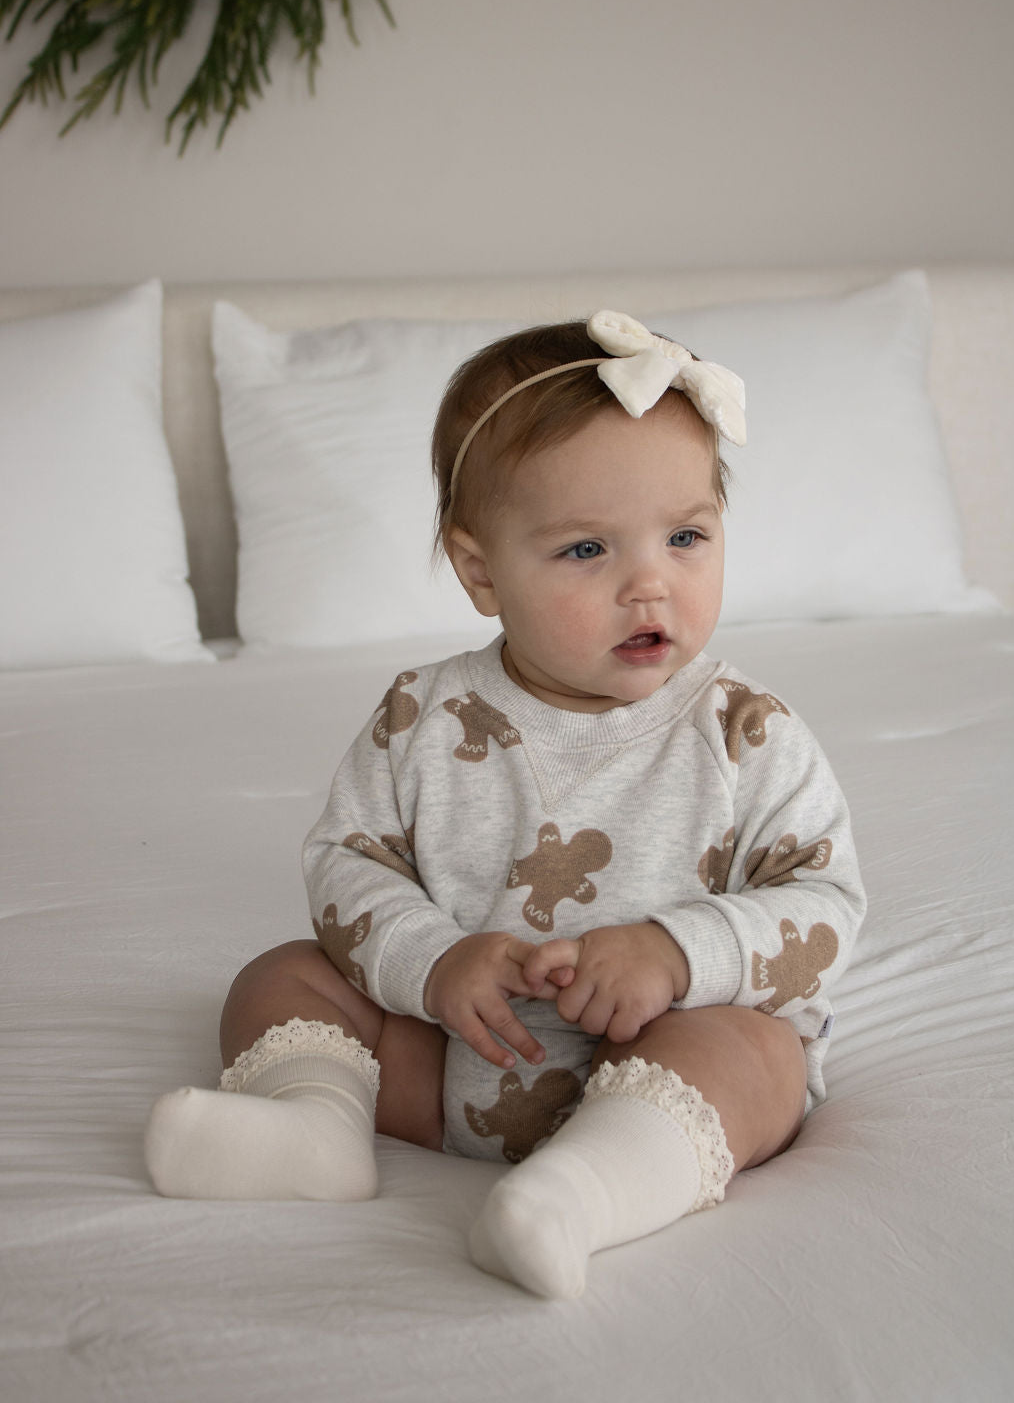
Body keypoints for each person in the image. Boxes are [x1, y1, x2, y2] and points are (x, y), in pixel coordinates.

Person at [145, 311, 866, 1300]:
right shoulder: (422, 715)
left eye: (686, 535)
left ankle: (584, 1191)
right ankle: (314, 1126)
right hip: (455, 1064)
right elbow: (347, 862)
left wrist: (674, 950)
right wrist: (434, 962)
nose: (649, 582)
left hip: (664, 1058)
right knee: (284, 976)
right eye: (585, 551)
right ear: (481, 571)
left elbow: (825, 906)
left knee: (759, 1053)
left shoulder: (746, 730)